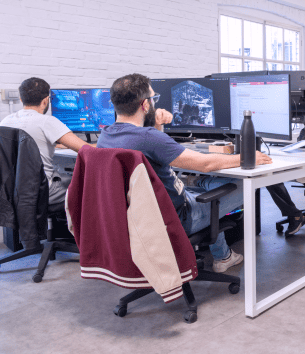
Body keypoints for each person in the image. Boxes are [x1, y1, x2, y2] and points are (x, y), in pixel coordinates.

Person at [96, 74, 272, 273]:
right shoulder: (148, 138)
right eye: (154, 99)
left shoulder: (105, 136)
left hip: (138, 219)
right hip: (178, 217)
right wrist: (247, 158)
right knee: (242, 184)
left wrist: (156, 124)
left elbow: (156, 153)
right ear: (145, 105)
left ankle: (223, 256)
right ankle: (222, 254)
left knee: (208, 188)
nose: (155, 103)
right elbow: (204, 164)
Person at [0, 77, 89, 204]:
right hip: (41, 191)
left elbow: (28, 146)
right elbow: (85, 149)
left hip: (12, 190)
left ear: (21, 99)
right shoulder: (46, 121)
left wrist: (56, 146)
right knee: (81, 183)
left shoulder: (6, 121)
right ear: (46, 100)